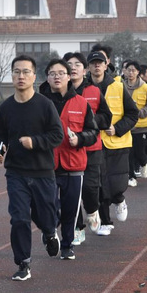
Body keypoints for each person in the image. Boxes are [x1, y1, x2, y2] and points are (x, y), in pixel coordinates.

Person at [0, 55, 64, 281]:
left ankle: (50, 232)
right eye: (16, 72)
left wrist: (35, 142)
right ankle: (23, 263)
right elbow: (0, 135)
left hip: (42, 172)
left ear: (34, 76)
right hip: (16, 173)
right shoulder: (6, 108)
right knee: (19, 218)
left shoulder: (45, 105)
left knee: (46, 216)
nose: (20, 76)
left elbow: (57, 135)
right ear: (12, 75)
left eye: (25, 72)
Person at [39, 59, 98, 261]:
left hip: (73, 164)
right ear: (47, 77)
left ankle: (67, 246)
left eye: (61, 73)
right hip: (46, 165)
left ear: (68, 77)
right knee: (48, 206)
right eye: (52, 73)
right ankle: (49, 232)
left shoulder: (81, 103)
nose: (57, 77)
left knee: (71, 209)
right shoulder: (39, 103)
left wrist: (79, 139)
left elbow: (93, 132)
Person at [87, 49, 138, 236]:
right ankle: (105, 222)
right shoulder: (83, 89)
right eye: (93, 63)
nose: (97, 66)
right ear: (88, 67)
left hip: (118, 142)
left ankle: (119, 198)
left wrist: (117, 128)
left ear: (106, 65)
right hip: (94, 143)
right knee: (99, 183)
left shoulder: (118, 86)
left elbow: (133, 114)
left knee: (117, 181)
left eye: (100, 63)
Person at [63, 52, 112, 244]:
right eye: (69, 64)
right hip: (68, 150)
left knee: (90, 189)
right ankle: (77, 229)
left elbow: (106, 118)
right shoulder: (59, 93)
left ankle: (92, 210)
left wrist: (86, 119)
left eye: (77, 64)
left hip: (91, 148)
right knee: (71, 194)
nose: (73, 67)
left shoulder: (94, 91)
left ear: (84, 70)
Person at [122, 61, 147, 187]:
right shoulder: (121, 86)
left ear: (138, 72)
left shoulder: (145, 87)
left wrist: (139, 113)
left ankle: (144, 163)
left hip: (141, 126)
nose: (130, 73)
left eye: (133, 70)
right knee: (129, 153)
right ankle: (131, 177)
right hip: (126, 125)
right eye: (128, 70)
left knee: (139, 151)